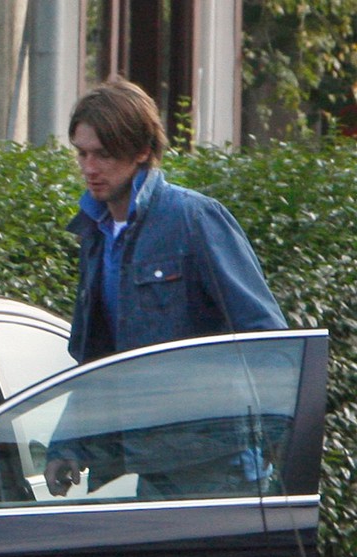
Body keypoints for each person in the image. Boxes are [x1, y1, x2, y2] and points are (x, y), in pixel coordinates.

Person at [44, 78, 287, 498]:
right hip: (151, 464)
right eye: (82, 153)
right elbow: (97, 357)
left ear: (142, 150)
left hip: (218, 467)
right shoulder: (95, 234)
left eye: (104, 154)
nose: (89, 168)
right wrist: (67, 443)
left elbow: (266, 337)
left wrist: (277, 442)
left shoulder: (193, 219)